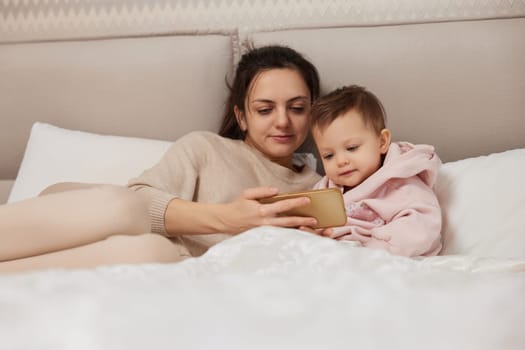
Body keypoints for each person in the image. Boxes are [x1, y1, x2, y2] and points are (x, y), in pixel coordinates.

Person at [0, 45, 322, 272]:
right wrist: (229, 218)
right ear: (241, 117)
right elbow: (140, 200)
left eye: (297, 108)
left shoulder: (319, 186)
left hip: (153, 257)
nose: (283, 121)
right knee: (125, 207)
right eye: (265, 109)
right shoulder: (206, 148)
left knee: (156, 256)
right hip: (84, 216)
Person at [307, 85, 442, 257]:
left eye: (352, 148)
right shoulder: (324, 188)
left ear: (382, 142)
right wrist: (311, 236)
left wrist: (373, 252)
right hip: (335, 256)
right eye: (328, 155)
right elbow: (311, 222)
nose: (340, 161)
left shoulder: (400, 184)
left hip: (385, 257)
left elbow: (421, 225)